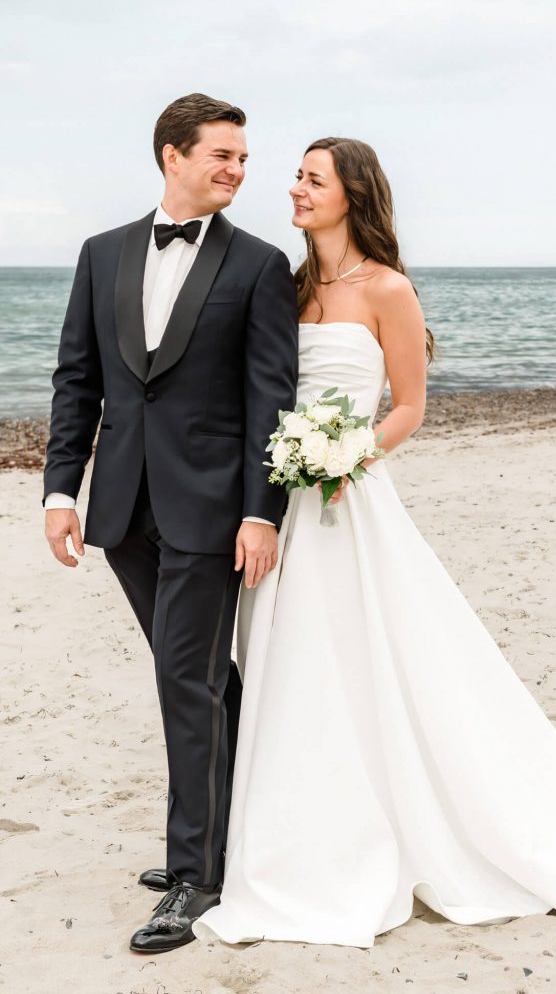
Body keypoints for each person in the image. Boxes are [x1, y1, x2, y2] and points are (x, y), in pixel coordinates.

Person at [193, 137, 556, 949]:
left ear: (353, 193)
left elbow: (409, 406)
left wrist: (350, 456)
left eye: (312, 179)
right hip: (283, 504)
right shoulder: (284, 287)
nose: (295, 189)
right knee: (290, 659)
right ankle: (298, 824)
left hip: (349, 500)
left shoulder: (388, 289)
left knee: (370, 651)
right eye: (297, 177)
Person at [42, 93, 299, 953]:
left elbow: (272, 399)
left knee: (182, 683)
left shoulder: (259, 265)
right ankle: (226, 835)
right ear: (171, 156)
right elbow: (77, 378)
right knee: (202, 678)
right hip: (121, 510)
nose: (236, 169)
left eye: (242, 159)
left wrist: (263, 511)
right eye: (221, 154)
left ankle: (194, 878)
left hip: (214, 511)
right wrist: (58, 491)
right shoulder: (102, 252)